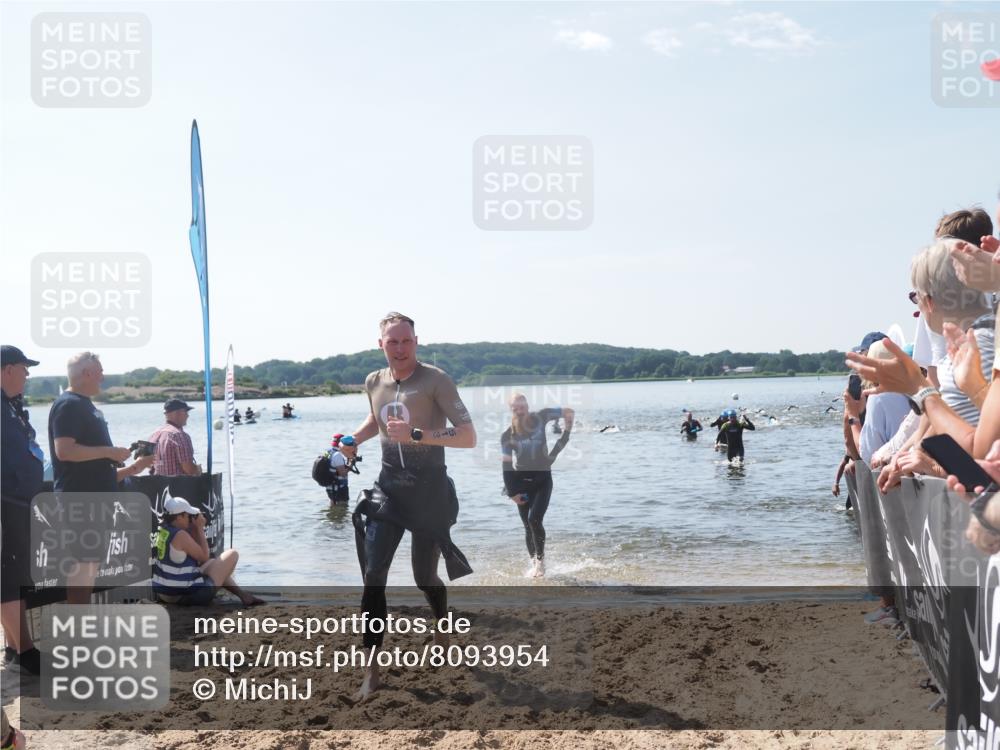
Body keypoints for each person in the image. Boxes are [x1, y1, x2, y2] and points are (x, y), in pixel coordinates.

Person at [338, 312, 476, 700]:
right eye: (392, 342)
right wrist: (353, 439)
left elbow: (467, 436)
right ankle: (372, 672)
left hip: (429, 493)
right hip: (388, 492)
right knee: (373, 578)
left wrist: (418, 434)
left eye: (407, 341)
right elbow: (375, 421)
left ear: (417, 342)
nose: (400, 349)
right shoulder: (374, 381)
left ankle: (443, 627)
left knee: (424, 578)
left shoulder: (436, 380)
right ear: (380, 344)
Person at [48, 352, 154, 604]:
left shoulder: (86, 405)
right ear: (86, 373)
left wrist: (132, 467)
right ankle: (78, 631)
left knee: (89, 567)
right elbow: (65, 451)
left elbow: (93, 466)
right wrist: (109, 451)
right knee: (82, 567)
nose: (103, 377)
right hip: (81, 502)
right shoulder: (69, 404)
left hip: (95, 500)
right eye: (100, 371)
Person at [1, 345, 44, 675]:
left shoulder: (10, 406)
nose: (28, 375)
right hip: (6, 501)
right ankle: (25, 651)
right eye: (24, 368)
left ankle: (17, 648)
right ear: (6, 369)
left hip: (17, 501)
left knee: (13, 576)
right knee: (9, 577)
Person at [501, 394, 573, 577]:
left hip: (543, 481)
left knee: (535, 520)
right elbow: (507, 466)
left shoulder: (542, 416)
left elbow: (568, 412)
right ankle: (535, 564)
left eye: (521, 405)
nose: (519, 409)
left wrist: (565, 434)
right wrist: (512, 493)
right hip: (521, 485)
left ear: (527, 404)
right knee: (527, 525)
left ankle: (540, 563)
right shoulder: (508, 435)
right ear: (512, 410)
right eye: (515, 408)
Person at [151, 496, 261, 607]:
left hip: (165, 593)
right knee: (232, 554)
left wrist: (194, 529)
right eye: (188, 515)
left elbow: (197, 556)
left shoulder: (164, 530)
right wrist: (199, 528)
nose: (190, 518)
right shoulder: (181, 535)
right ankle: (244, 596)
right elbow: (204, 557)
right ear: (179, 517)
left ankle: (243, 595)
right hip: (186, 596)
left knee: (213, 563)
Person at [149, 399, 201, 476]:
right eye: (186, 411)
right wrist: (198, 469)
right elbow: (189, 470)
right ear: (177, 413)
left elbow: (149, 466)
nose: (187, 415)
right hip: (178, 486)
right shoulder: (179, 435)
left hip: (158, 485)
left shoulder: (155, 434)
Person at [324, 434, 357, 504]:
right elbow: (343, 474)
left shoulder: (327, 452)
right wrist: (351, 464)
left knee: (333, 505)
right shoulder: (337, 455)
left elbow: (333, 468)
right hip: (339, 488)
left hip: (330, 487)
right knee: (343, 508)